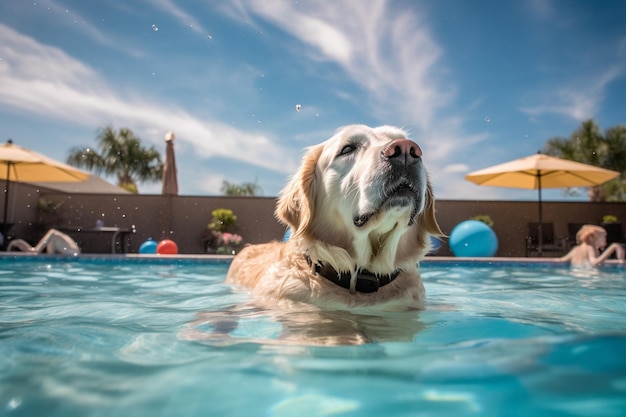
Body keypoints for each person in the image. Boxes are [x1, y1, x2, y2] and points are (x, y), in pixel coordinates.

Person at [7, 228, 80, 256]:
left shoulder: (53, 234)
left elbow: (52, 232)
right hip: (74, 252)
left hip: (73, 252)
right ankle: (35, 250)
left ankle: (35, 250)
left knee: (52, 233)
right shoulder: (58, 238)